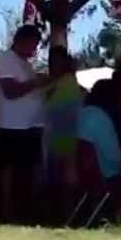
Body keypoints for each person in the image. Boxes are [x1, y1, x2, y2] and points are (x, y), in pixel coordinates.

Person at [0, 24, 52, 222]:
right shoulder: (6, 59)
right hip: (13, 126)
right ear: (22, 40)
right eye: (34, 44)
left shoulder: (26, 64)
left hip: (31, 126)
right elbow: (10, 91)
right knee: (10, 169)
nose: (35, 49)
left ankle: (26, 209)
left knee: (28, 170)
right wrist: (37, 83)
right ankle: (7, 211)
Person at [44, 46, 83, 221]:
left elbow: (48, 102)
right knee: (58, 177)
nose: (52, 65)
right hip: (59, 131)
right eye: (51, 62)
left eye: (56, 61)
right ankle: (62, 214)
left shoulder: (66, 81)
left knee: (64, 177)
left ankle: (66, 215)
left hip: (66, 131)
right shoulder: (63, 81)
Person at [77, 78, 121, 182]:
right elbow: (115, 158)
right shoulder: (99, 117)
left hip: (83, 179)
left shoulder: (80, 113)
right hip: (106, 179)